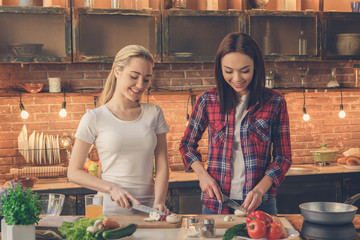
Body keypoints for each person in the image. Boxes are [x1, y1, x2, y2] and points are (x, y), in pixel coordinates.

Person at [179, 33, 292, 215]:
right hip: (216, 203)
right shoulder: (207, 100)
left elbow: (283, 157)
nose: (237, 78)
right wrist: (202, 176)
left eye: (244, 70)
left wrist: (260, 190)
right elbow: (186, 145)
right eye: (229, 71)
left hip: (260, 203)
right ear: (220, 68)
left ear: (256, 67)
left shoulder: (275, 102)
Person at [68, 45, 170, 215]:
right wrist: (112, 188)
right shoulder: (94, 117)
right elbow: (73, 172)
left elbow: (162, 165)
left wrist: (159, 202)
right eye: (133, 76)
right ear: (117, 71)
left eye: (146, 79)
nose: (140, 85)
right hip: (111, 210)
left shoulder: (154, 113)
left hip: (150, 210)